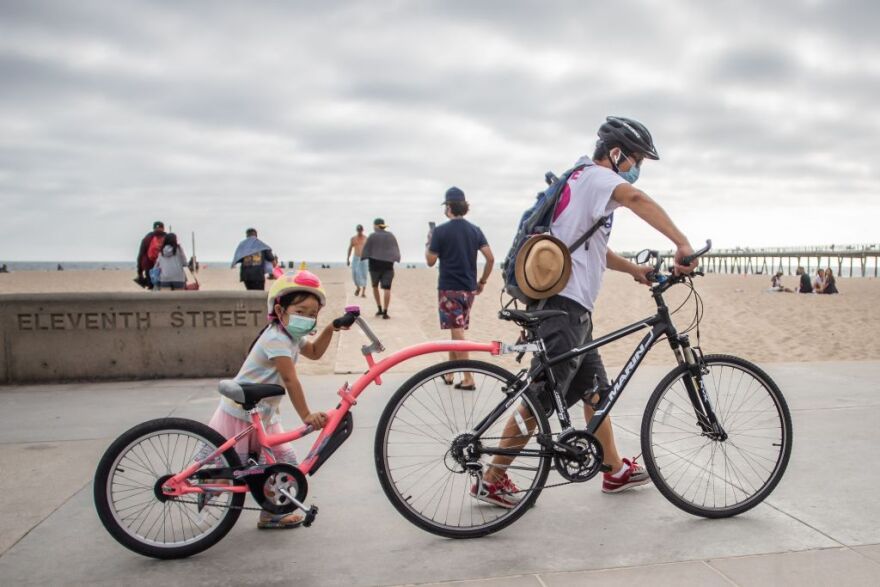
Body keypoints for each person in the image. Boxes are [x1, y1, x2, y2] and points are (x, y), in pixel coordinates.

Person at [473, 116, 697, 508]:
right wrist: (681, 242)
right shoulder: (597, 178)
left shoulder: (577, 179)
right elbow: (637, 199)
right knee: (542, 398)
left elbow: (590, 248)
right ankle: (492, 477)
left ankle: (613, 471)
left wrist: (634, 270)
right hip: (564, 308)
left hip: (573, 309)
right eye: (636, 159)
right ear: (615, 153)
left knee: (595, 390)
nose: (637, 168)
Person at [204, 271, 344, 529]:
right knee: (225, 474)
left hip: (264, 415)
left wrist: (329, 329)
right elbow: (290, 380)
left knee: (285, 464)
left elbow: (314, 352)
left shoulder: (291, 336)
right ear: (280, 311)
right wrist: (306, 416)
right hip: (240, 415)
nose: (308, 318)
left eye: (313, 314)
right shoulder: (276, 338)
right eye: (301, 311)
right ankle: (199, 489)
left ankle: (272, 514)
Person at [426, 187, 494, 389]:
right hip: (469, 288)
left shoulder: (440, 231)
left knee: (457, 331)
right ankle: (449, 373)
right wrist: (482, 281)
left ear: (448, 207)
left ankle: (468, 377)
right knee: (456, 329)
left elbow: (430, 261)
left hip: (449, 288)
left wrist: (429, 241)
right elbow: (490, 258)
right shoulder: (475, 230)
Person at [361, 218, 401, 319]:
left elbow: (366, 250)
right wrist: (395, 258)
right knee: (387, 288)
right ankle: (385, 312)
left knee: (375, 287)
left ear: (375, 225)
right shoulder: (391, 235)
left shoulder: (372, 236)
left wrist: (363, 257)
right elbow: (395, 249)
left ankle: (379, 308)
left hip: (374, 266)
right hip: (388, 266)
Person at [136, 221, 166, 289]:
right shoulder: (168, 238)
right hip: (163, 267)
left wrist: (139, 272)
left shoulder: (147, 238)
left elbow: (140, 255)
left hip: (149, 267)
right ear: (163, 228)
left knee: (151, 287)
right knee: (164, 288)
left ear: (153, 228)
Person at [346, 225, 369, 298]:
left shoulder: (366, 238)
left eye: (361, 230)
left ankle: (363, 292)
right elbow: (350, 248)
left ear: (363, 230)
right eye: (358, 230)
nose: (359, 231)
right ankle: (358, 288)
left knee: (364, 274)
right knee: (354, 274)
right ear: (356, 230)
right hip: (356, 258)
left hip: (364, 258)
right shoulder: (353, 239)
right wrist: (348, 258)